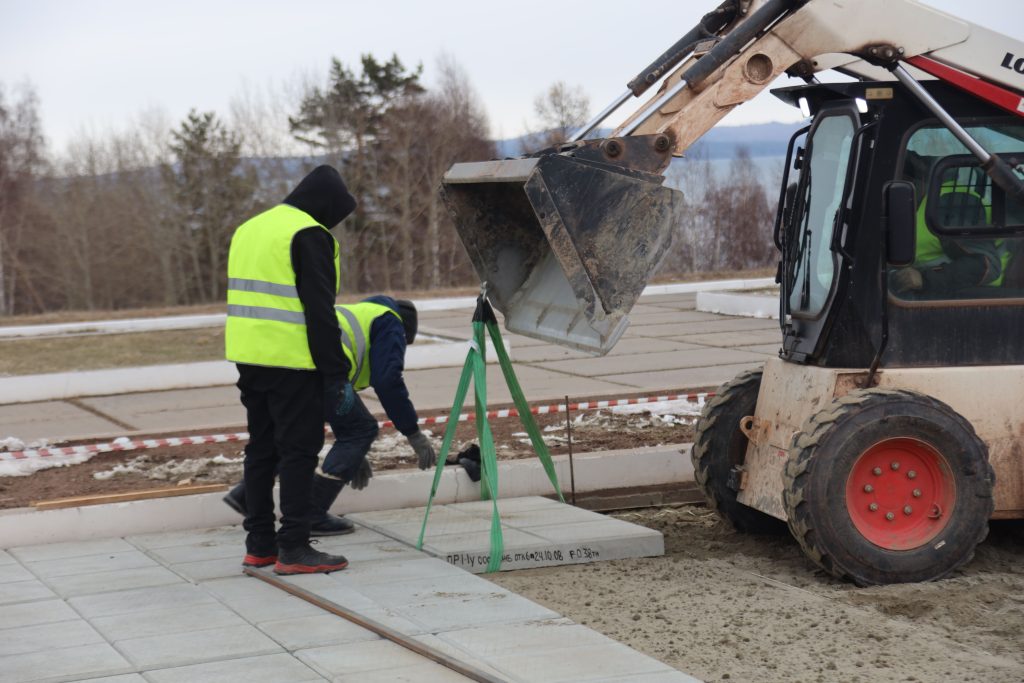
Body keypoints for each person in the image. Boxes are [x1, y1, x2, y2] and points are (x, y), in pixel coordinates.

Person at [225, 165, 356, 576]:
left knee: (261, 450)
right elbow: (320, 310)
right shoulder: (308, 234)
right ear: (326, 205)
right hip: (292, 361)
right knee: (298, 452)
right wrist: (335, 372)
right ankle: (295, 547)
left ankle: (259, 544)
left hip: (249, 356)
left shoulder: (250, 229)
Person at [223, 296, 438, 533]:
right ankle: (312, 514)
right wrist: (412, 432)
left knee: (294, 434)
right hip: (320, 369)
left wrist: (351, 453)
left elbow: (341, 401)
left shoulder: (363, 314)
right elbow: (387, 381)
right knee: (362, 430)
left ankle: (246, 496)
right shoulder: (391, 323)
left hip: (288, 363)